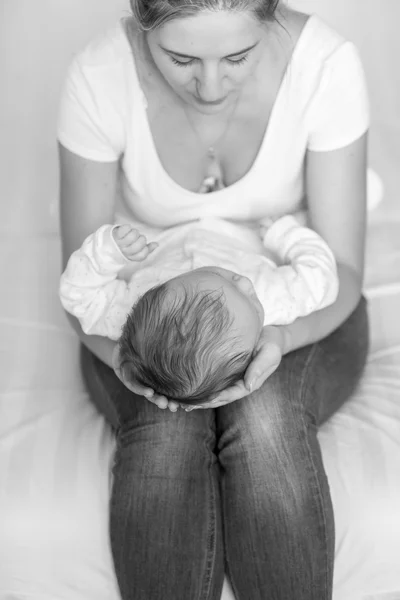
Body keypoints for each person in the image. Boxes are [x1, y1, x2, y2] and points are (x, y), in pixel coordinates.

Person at [57, 0, 370, 597]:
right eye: (180, 58)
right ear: (140, 20)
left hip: (300, 313)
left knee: (266, 420)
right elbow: (81, 286)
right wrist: (132, 360)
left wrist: (275, 337)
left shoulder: (325, 66)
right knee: (166, 429)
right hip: (148, 314)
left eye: (237, 56)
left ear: (269, 19)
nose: (208, 85)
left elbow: (341, 272)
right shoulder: (99, 76)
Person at [59, 215, 339, 405]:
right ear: (255, 346)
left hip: (165, 233)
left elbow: (79, 295)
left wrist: (108, 252)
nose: (243, 282)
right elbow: (321, 277)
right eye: (254, 305)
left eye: (222, 277)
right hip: (248, 237)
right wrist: (287, 234)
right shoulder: (274, 297)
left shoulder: (129, 309)